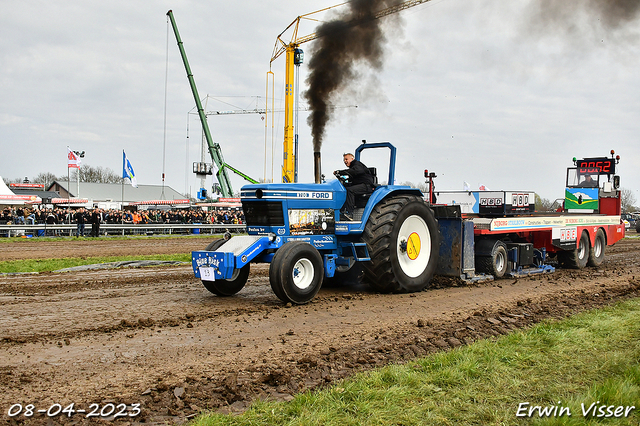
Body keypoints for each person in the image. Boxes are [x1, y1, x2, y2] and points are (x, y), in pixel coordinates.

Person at [333, 153, 375, 220]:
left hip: (366, 185)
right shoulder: (353, 168)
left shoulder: (357, 164)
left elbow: (355, 171)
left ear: (352, 158)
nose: (345, 161)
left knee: (350, 190)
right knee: (343, 189)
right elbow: (353, 176)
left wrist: (340, 172)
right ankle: (340, 211)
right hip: (358, 184)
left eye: (346, 159)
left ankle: (349, 213)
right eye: (344, 160)